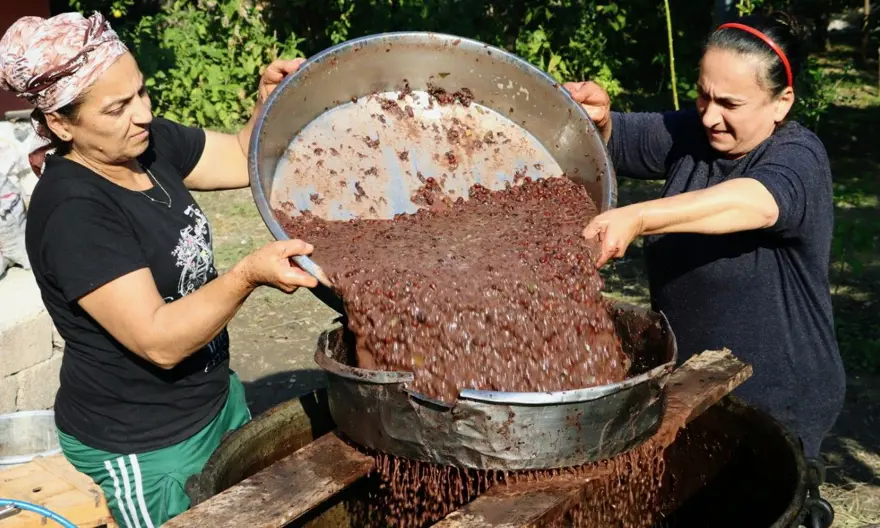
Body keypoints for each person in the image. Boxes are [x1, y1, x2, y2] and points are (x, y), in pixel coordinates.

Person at [0, 11, 318, 527]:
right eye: (117, 108)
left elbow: (240, 155)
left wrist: (267, 103)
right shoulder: (74, 211)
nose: (143, 114)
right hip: (146, 447)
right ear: (60, 123)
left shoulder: (145, 145)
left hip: (215, 402)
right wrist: (247, 275)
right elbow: (159, 341)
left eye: (141, 92)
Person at [564, 12, 846, 462]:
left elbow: (754, 202)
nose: (711, 116)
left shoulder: (799, 156)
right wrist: (599, 122)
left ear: (781, 103)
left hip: (774, 405)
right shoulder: (695, 134)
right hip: (690, 386)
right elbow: (620, 139)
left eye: (730, 104)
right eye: (703, 95)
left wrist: (639, 217)